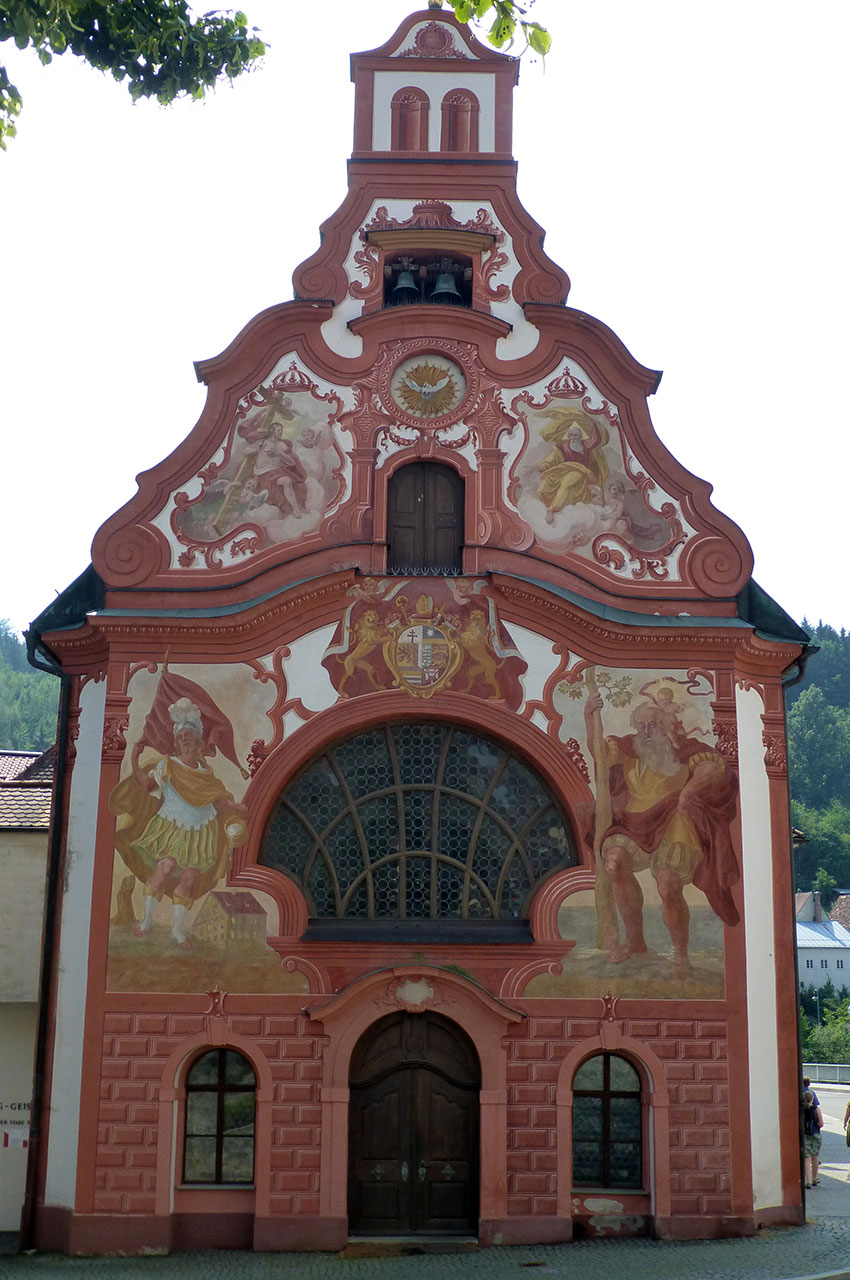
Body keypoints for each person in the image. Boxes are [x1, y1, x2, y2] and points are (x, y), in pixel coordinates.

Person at [584, 692, 739, 972]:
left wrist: (688, 792)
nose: (645, 731)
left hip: (673, 822)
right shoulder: (630, 750)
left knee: (668, 883)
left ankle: (680, 954)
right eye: (641, 725)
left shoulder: (683, 750)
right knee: (615, 862)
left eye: (652, 725)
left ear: (665, 726)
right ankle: (635, 942)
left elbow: (715, 768)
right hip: (633, 822)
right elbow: (598, 751)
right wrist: (589, 717)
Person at [110, 698, 246, 948]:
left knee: (191, 878)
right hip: (171, 826)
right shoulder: (168, 766)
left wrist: (235, 807)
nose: (185, 740)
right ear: (177, 742)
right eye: (181, 736)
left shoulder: (207, 775)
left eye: (189, 736)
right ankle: (147, 921)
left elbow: (217, 800)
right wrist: (135, 757)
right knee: (165, 868)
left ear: (198, 743)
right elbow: (146, 785)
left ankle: (176, 930)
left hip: (200, 831)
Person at [537, 410, 608, 521]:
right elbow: (551, 460)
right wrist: (538, 467)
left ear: (580, 437)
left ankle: (552, 510)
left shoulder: (585, 446)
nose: (572, 437)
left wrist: (590, 421)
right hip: (562, 472)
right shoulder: (563, 447)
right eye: (571, 435)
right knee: (543, 487)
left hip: (580, 473)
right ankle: (545, 507)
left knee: (568, 482)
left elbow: (596, 439)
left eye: (575, 435)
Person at [803, 1089, 824, 1187]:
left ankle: (808, 1181)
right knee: (815, 1157)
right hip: (815, 1135)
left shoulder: (801, 1109)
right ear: (812, 1099)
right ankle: (815, 1178)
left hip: (805, 1135)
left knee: (806, 1158)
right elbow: (821, 1124)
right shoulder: (816, 1109)